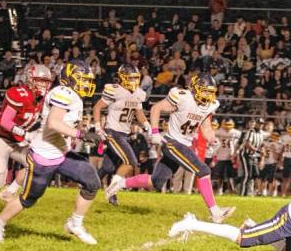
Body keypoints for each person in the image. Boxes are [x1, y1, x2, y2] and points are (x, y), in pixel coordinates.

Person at [0, 61, 101, 244]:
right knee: (29, 199)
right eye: (82, 79)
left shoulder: (73, 95)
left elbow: (68, 123)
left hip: (61, 154)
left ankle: (75, 223)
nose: (86, 84)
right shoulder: (63, 93)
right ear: (69, 78)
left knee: (92, 181)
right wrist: (81, 134)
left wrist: (89, 132)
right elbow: (53, 122)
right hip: (44, 156)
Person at [105, 75, 235, 223]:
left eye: (211, 92)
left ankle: (118, 185)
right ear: (196, 88)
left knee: (156, 182)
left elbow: (206, 127)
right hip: (173, 143)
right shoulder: (183, 97)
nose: (208, 95)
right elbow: (156, 108)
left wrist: (212, 139)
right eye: (205, 91)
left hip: (183, 145)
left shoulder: (210, 105)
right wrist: (154, 132)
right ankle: (215, 212)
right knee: (203, 171)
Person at [0, 64, 54, 212]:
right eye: (40, 80)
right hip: (0, 138)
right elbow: (5, 122)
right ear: (30, 80)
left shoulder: (42, 98)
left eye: (46, 81)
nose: (44, 84)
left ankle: (9, 192)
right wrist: (26, 134)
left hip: (17, 141)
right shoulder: (19, 94)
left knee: (36, 163)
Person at [93, 64, 150, 206]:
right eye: (130, 78)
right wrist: (98, 126)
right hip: (113, 132)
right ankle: (112, 190)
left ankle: (88, 185)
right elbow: (97, 107)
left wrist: (147, 125)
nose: (133, 81)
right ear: (123, 78)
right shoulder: (115, 90)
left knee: (108, 167)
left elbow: (139, 112)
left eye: (136, 78)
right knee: (131, 162)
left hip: (124, 134)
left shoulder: (138, 93)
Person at [213, 118, 241, 195]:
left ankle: (231, 190)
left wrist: (236, 153)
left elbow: (239, 144)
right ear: (222, 124)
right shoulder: (217, 132)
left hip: (231, 157)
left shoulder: (237, 133)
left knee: (230, 175)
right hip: (220, 156)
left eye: (229, 124)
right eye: (226, 124)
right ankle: (220, 189)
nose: (227, 126)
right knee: (220, 175)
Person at [237, 119, 264, 196]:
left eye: (262, 124)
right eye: (259, 123)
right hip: (246, 154)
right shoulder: (251, 132)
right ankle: (242, 194)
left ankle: (249, 192)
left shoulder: (261, 134)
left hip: (254, 155)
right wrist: (258, 151)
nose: (260, 125)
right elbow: (247, 144)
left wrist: (262, 158)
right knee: (246, 174)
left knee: (254, 174)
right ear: (256, 124)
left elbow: (262, 145)